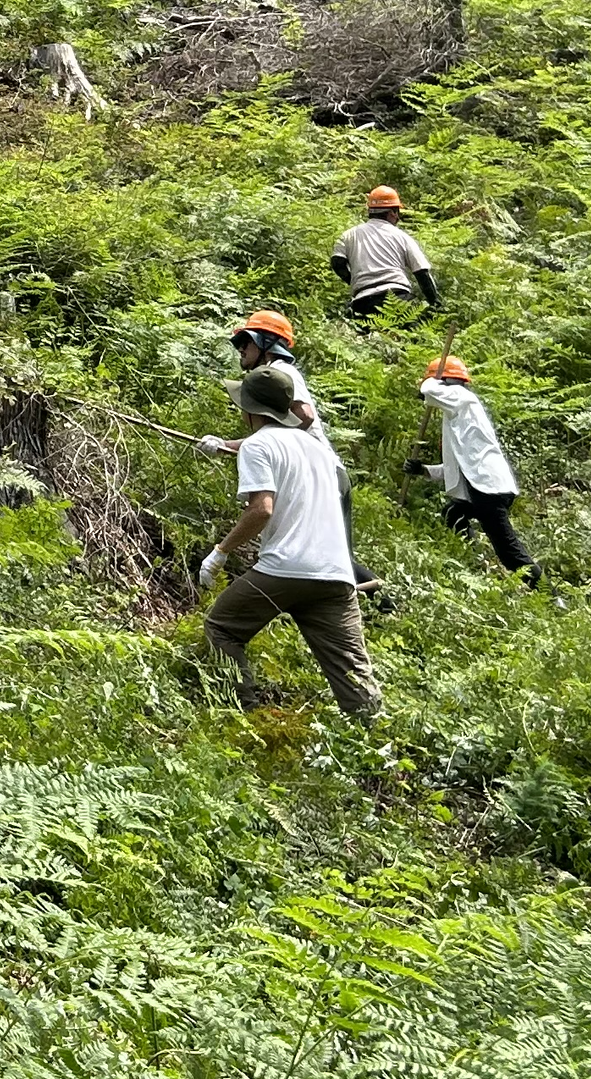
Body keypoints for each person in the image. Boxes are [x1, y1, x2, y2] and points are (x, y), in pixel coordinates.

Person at [197, 367, 382, 719]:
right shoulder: (319, 449)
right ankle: (371, 743)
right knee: (351, 670)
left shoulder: (257, 446)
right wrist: (223, 446)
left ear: (249, 410)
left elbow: (261, 510)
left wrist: (219, 553)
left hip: (285, 568)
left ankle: (245, 718)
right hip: (335, 574)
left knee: (221, 628)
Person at [410, 356, 530, 578]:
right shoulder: (458, 415)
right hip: (481, 486)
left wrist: (429, 383)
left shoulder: (462, 398)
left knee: (509, 553)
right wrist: (423, 470)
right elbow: (456, 467)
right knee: (453, 513)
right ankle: (474, 561)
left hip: (489, 489)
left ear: (447, 382)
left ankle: (550, 595)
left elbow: (429, 388)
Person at [332, 186, 438, 322]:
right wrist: (435, 305)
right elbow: (422, 273)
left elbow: (337, 262)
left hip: (363, 303)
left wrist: (354, 280)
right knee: (413, 338)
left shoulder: (349, 235)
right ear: (392, 213)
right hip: (399, 298)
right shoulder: (401, 236)